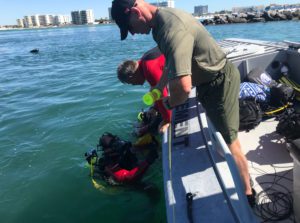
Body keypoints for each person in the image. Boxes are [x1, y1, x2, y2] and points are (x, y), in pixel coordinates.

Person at [111, 0, 256, 206]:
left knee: (230, 141)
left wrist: (169, 104)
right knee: (221, 135)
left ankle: (248, 195)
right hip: (207, 83)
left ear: (135, 11)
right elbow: (170, 64)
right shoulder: (158, 27)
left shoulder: (171, 28)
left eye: (130, 27)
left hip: (220, 83)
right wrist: (159, 89)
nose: (132, 33)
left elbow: (184, 88)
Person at [117, 47, 171, 133]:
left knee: (161, 130)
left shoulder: (149, 69)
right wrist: (155, 108)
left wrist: (167, 120)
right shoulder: (144, 63)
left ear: (131, 76)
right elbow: (156, 92)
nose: (133, 85)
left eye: (131, 82)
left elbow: (161, 94)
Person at [85, 132, 158, 184]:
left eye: (114, 140)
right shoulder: (109, 164)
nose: (115, 143)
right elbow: (128, 178)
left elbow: (137, 148)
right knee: (151, 188)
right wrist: (148, 161)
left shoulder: (123, 148)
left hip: (133, 166)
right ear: (106, 150)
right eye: (111, 143)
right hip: (127, 180)